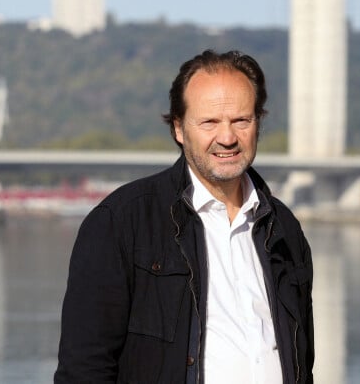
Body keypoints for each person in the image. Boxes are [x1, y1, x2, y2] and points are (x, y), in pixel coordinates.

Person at [54, 49, 314, 384]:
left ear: (258, 122)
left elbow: (301, 361)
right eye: (209, 122)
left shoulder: (284, 229)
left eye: (241, 120)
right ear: (179, 128)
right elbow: (83, 370)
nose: (227, 137)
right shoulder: (120, 223)